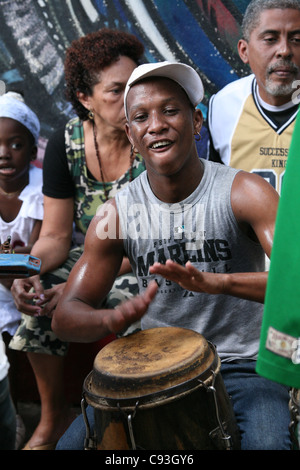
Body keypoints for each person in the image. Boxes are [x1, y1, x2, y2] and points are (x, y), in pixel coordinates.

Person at [52, 61, 291, 450]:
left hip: (241, 365)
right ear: (130, 135)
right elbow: (65, 317)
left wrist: (220, 283)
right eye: (142, 117)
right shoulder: (118, 213)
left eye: (170, 110)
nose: (157, 124)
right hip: (155, 369)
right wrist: (109, 317)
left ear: (197, 121)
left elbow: (294, 282)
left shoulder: (244, 192)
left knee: (268, 444)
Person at [9, 29, 145, 450]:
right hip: (89, 256)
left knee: (133, 310)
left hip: (143, 262)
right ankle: (54, 418)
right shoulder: (66, 145)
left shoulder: (151, 136)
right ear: (85, 98)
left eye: (135, 86)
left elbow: (149, 244)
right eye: (116, 90)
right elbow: (53, 235)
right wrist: (25, 271)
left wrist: (83, 284)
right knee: (38, 302)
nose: (131, 100)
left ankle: (135, 427)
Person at [207, 0, 300, 195]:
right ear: (244, 51)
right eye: (270, 39)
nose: (284, 50)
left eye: (297, 40)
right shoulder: (223, 107)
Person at [0, 91, 43, 449]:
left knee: (29, 325)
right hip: (1, 284)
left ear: (32, 151)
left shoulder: (42, 193)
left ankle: (43, 411)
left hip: (30, 282)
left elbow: (41, 249)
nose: (4, 153)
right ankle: (9, 415)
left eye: (15, 144)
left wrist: (19, 262)